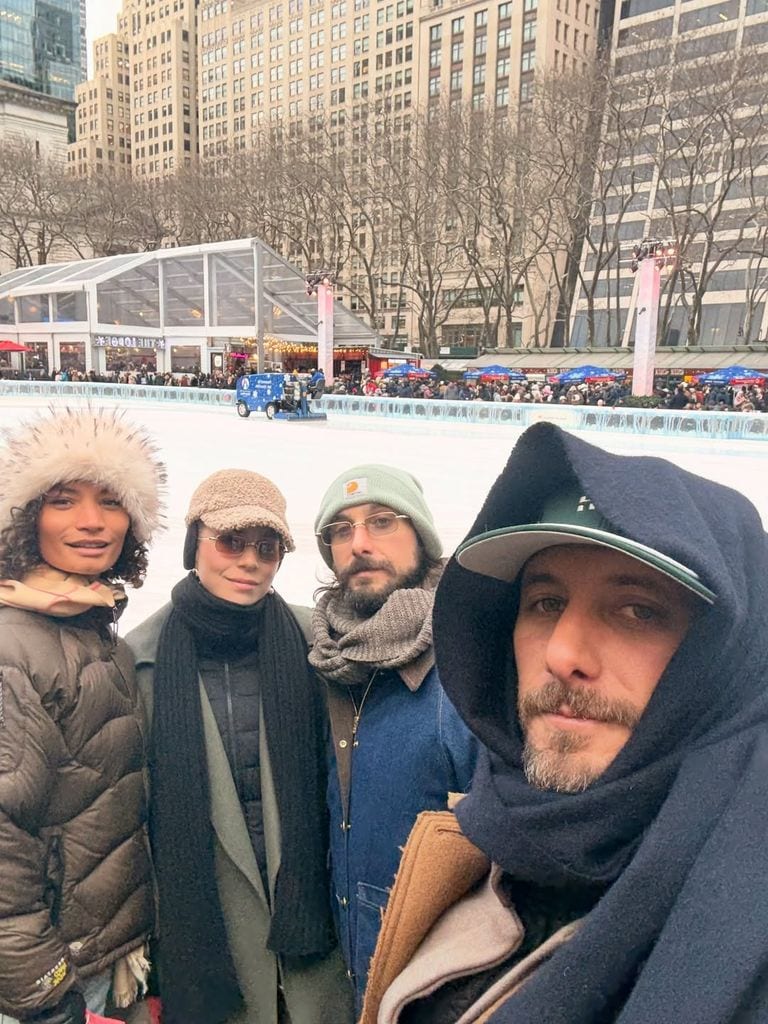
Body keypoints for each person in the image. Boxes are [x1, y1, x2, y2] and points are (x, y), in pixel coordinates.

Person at [361, 421, 768, 1024]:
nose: (562, 654)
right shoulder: (487, 838)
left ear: (725, 656)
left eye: (638, 610)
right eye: (546, 603)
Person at [126, 470, 353, 1024]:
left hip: (315, 941)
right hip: (211, 948)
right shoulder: (137, 662)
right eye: (231, 542)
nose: (249, 561)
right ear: (193, 545)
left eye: (267, 547)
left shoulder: (320, 645)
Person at [0, 407, 166, 1024]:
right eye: (64, 500)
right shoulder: (15, 647)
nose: (92, 522)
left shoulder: (96, 632)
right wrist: (46, 996)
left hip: (103, 957)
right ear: (25, 518)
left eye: (111, 501)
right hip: (52, 979)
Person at [310, 465, 478, 1011]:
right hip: (357, 967)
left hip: (444, 984)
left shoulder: (468, 660)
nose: (359, 543)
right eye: (341, 530)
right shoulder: (329, 660)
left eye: (382, 522)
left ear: (422, 539)